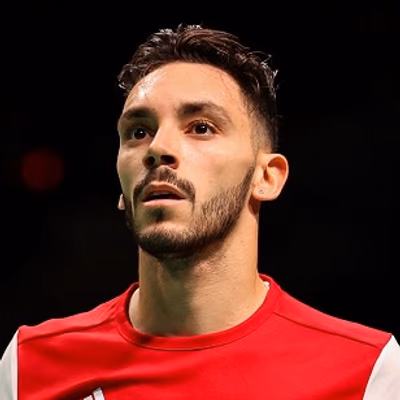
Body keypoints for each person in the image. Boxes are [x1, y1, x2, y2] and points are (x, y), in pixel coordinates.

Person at [0, 23, 399, 400]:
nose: (158, 148)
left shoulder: (366, 372)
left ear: (266, 177)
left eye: (201, 127)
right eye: (139, 132)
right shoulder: (29, 364)